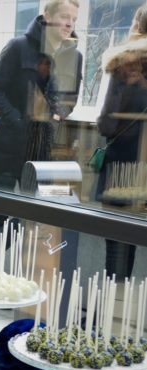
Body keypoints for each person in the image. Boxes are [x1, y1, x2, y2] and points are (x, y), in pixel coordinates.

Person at [0, 0, 83, 236]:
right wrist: (17, 121)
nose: (69, 23)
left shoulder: (74, 56)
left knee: (37, 219)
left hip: (44, 154)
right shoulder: (18, 46)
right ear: (47, 15)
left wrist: (58, 111)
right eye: (65, 16)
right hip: (7, 150)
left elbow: (71, 98)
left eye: (74, 19)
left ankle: (14, 272)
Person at [96, 3, 147, 280]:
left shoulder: (123, 62)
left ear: (136, 26)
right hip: (140, 171)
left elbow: (106, 124)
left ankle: (113, 316)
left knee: (116, 252)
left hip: (120, 172)